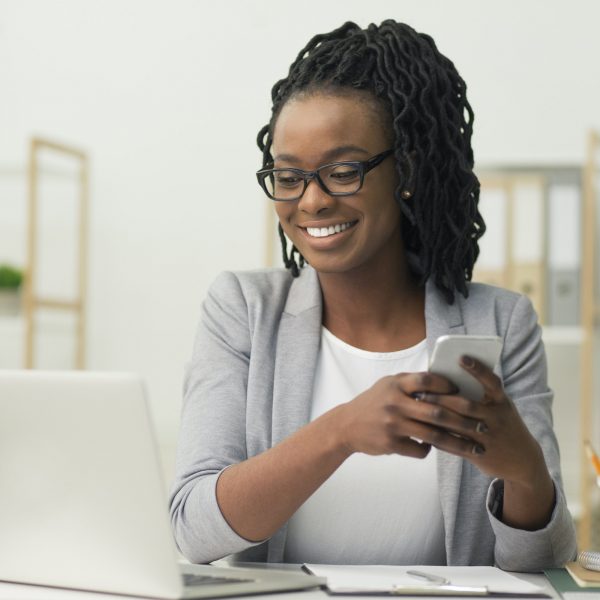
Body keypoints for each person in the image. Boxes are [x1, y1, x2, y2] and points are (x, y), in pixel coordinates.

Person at [169, 20, 577, 569]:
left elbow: (545, 566)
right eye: (289, 177)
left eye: (342, 171)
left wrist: (524, 469)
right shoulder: (242, 310)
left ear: (404, 171)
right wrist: (341, 430)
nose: (310, 201)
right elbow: (194, 532)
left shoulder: (500, 322)